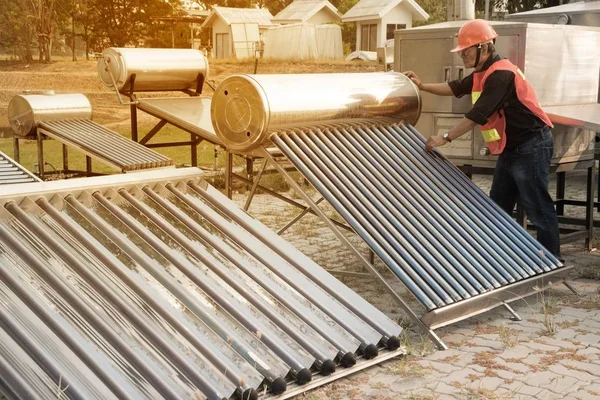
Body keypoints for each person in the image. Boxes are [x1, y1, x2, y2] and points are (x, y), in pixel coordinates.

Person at [403, 19, 560, 258]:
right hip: (511, 148)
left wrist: (445, 137)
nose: (462, 56)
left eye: (466, 51)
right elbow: (454, 87)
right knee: (497, 206)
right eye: (461, 51)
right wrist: (422, 85)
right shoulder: (482, 73)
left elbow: (477, 115)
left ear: (484, 48)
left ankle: (552, 260)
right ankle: (500, 260)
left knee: (537, 205)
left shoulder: (501, 75)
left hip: (531, 145)